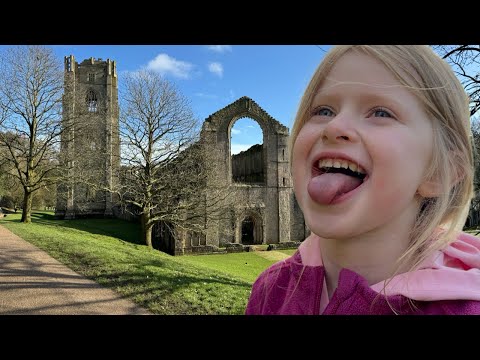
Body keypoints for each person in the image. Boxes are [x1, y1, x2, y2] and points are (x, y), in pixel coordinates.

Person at [245, 45, 480, 315]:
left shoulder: (463, 307)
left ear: (440, 172)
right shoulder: (269, 290)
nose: (334, 127)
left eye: (380, 113)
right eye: (323, 110)